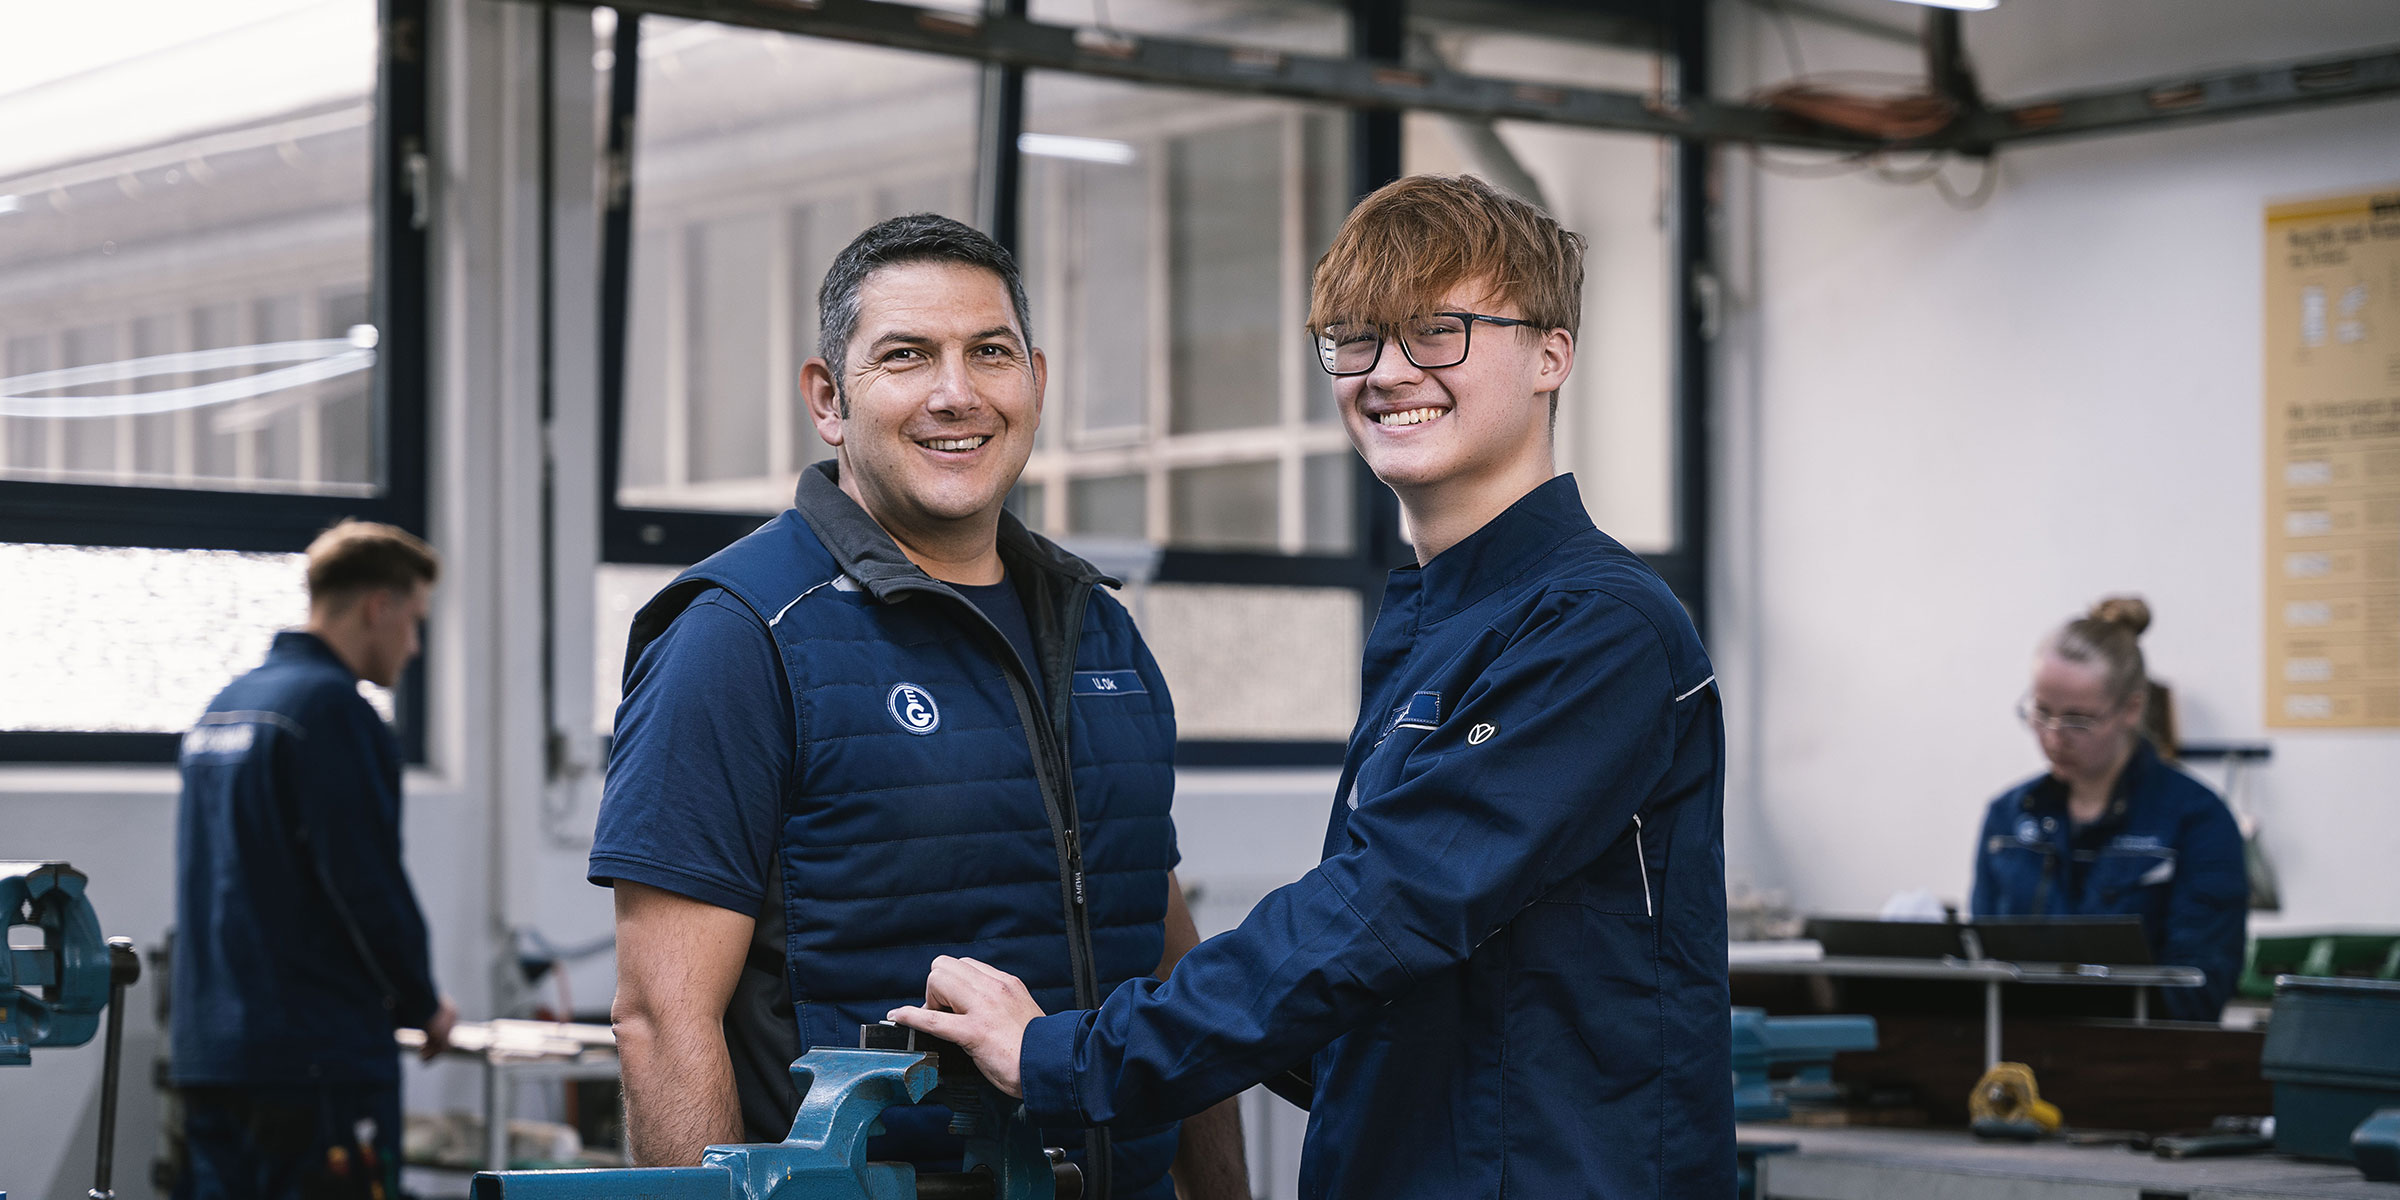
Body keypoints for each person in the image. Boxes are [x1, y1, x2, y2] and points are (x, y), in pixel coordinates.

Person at [894, 174, 1734, 1198]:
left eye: (1438, 332)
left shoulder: (1596, 628)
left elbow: (1384, 914)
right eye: (1356, 339)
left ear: (1552, 352)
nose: (1387, 374)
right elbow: (1404, 982)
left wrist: (1069, 1056)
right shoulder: (1434, 620)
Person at [588, 213, 1243, 1200]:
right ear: (829, 398)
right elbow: (660, 1015)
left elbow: (1155, 940)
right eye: (906, 356)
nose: (956, 393)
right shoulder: (739, 635)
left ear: (1037, 381)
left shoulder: (1096, 630)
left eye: (990, 352)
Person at [172, 519, 456, 1200]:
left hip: (212, 1055)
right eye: (415, 621)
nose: (415, 646)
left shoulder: (226, 707)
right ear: (376, 607)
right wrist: (421, 999)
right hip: (315, 1060)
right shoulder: (331, 710)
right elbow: (361, 880)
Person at [1971, 595, 2246, 1021]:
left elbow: (2198, 986)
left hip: (2139, 1063)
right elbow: (1982, 966)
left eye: (2078, 720)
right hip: (2018, 1059)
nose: (2054, 737)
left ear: (2131, 709)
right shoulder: (2008, 818)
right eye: (2041, 713)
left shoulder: (2197, 821)